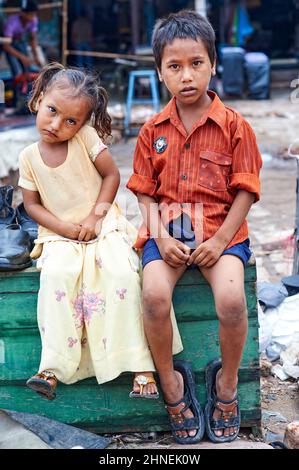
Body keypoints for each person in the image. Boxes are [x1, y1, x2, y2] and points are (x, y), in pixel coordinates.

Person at [127, 10, 262, 444]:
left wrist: (221, 240)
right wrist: (161, 237)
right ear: (160, 72)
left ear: (213, 63)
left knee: (231, 302)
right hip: (167, 230)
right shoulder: (152, 131)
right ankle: (171, 383)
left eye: (196, 63)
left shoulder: (236, 127)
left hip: (221, 232)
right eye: (174, 66)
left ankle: (225, 387)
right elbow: (144, 192)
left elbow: (245, 190)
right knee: (152, 296)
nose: (187, 76)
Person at [18, 62, 183, 401]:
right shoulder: (28, 157)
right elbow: (32, 206)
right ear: (38, 99)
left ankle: (141, 366)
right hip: (59, 234)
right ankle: (52, 368)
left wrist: (96, 217)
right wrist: (64, 227)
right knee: (57, 277)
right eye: (51, 111)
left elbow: (112, 176)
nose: (56, 125)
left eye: (70, 121)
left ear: (81, 124)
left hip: (103, 226)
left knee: (122, 274)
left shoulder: (85, 140)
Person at [3, 1, 42, 79]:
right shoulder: (12, 22)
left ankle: (26, 90)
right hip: (10, 45)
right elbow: (5, 46)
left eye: (34, 14)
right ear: (23, 13)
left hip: (21, 43)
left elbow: (32, 39)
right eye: (31, 14)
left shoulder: (34, 20)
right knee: (17, 72)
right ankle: (17, 90)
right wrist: (22, 57)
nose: (33, 17)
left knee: (27, 70)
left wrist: (36, 57)